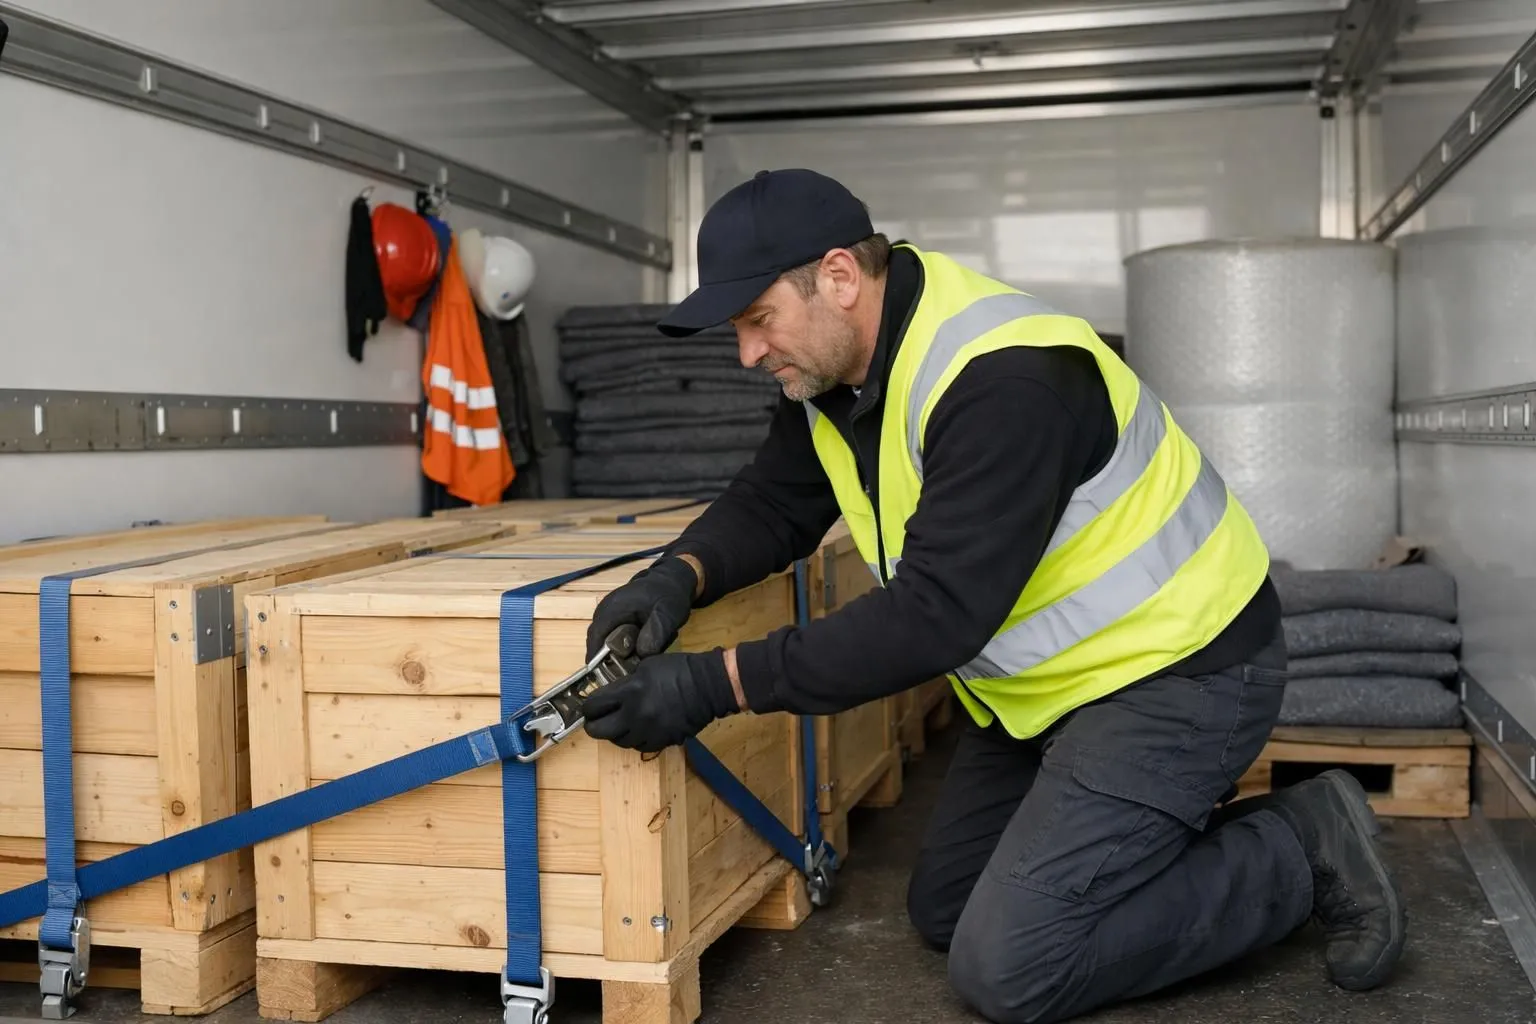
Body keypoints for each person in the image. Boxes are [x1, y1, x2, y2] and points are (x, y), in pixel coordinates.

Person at [577, 168, 1406, 1023]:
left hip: (1182, 672)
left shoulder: (1002, 380)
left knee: (1011, 967)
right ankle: (1140, 831)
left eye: (758, 320)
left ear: (837, 277)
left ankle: (1300, 848)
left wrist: (714, 686)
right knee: (948, 911)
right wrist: (676, 576)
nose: (749, 352)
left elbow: (934, 616)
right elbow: (778, 500)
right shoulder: (834, 374)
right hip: (1051, 693)